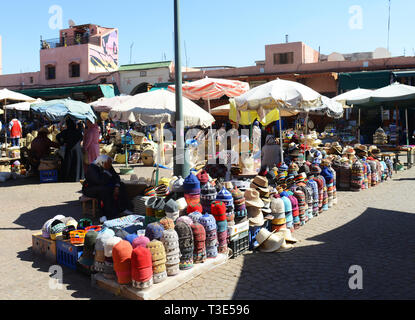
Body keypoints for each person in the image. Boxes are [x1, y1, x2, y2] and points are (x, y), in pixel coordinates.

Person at [82, 155, 131, 222]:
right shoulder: (92, 168)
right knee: (103, 190)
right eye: (108, 164)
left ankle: (122, 209)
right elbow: (99, 181)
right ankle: (103, 215)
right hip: (90, 188)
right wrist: (106, 173)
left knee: (121, 185)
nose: (110, 166)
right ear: (102, 163)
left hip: (105, 185)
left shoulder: (107, 165)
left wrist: (116, 186)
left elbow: (116, 176)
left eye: (110, 164)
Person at [56, 118, 84, 182]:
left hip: (70, 149)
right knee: (77, 163)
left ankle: (70, 177)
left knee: (69, 163)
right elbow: (81, 137)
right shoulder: (77, 131)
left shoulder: (66, 131)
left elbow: (58, 136)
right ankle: (78, 177)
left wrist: (62, 142)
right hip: (78, 150)